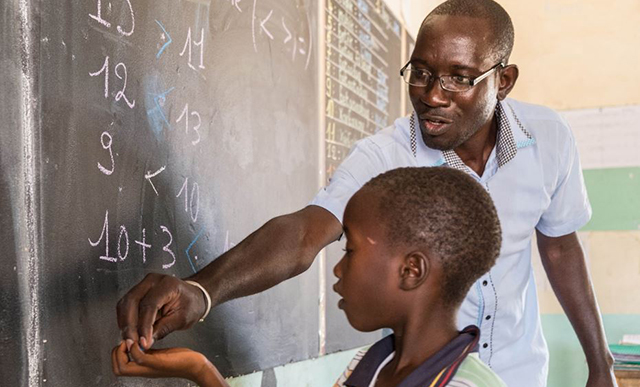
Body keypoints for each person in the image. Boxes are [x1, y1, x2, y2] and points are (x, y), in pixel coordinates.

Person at [116, 1, 616, 386]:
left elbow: (559, 244)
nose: (433, 94)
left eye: (459, 78)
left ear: (502, 81)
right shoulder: (386, 155)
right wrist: (202, 291)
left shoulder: (549, 139)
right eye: (419, 72)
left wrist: (600, 363)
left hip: (518, 371)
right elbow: (305, 231)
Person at [113, 167, 507, 387]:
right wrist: (197, 369)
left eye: (349, 250)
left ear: (411, 271)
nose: (337, 268)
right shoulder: (372, 366)